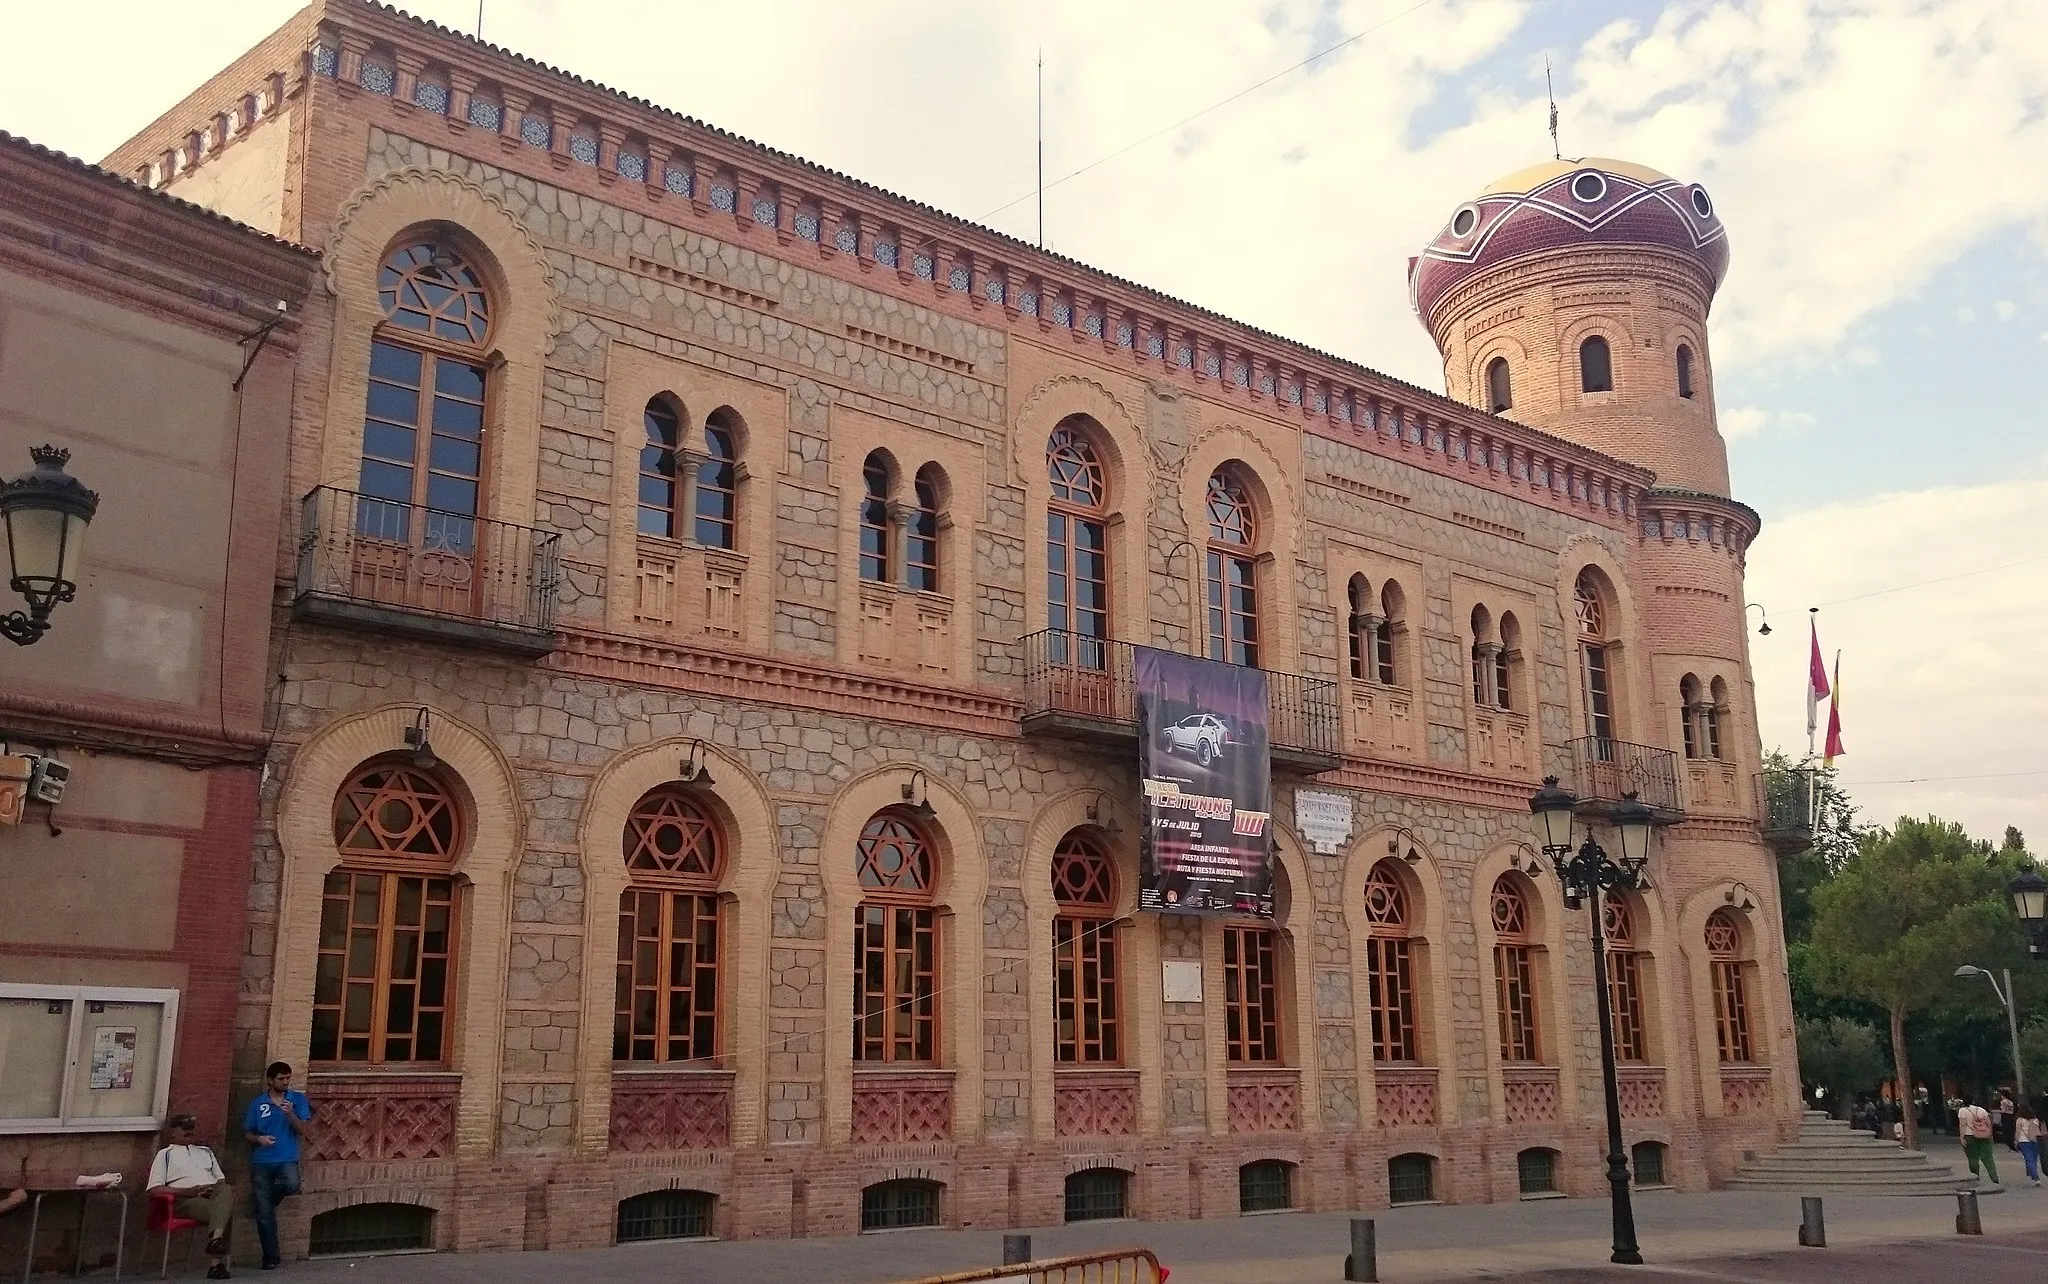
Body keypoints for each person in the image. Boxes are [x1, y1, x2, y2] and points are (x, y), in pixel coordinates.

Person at [243, 1061, 313, 1271]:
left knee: (292, 1185)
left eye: (287, 1078)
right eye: (281, 1079)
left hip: (286, 1158)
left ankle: (263, 1202)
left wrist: (290, 1114)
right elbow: (247, 1133)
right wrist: (259, 1140)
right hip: (262, 1160)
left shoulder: (297, 1100)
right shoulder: (258, 1104)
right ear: (270, 1080)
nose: (285, 1082)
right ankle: (270, 1257)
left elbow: (304, 1130)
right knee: (265, 1216)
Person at [146, 1114, 234, 1280]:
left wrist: (211, 1189)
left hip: (211, 1194)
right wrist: (188, 1191)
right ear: (173, 1131)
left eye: (191, 1128)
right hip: (186, 1200)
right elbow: (155, 1189)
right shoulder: (165, 1155)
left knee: (225, 1191)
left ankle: (216, 1240)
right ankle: (215, 1264)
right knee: (224, 1210)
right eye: (184, 1129)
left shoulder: (205, 1152)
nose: (189, 1132)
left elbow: (220, 1179)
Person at [1957, 1094, 2001, 1188]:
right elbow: (1989, 1123)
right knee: (1988, 1158)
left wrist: (1961, 1137)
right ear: (1973, 1101)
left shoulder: (1962, 1111)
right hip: (1984, 1135)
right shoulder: (1981, 1110)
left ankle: (1976, 1177)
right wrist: (1990, 1135)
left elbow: (1963, 1125)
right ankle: (1994, 1178)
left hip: (1969, 1135)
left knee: (1973, 1158)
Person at [2017, 1102, 2042, 1187]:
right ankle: (2033, 1177)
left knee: (2028, 1159)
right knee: (2033, 1159)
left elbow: (2018, 1132)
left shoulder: (2020, 1120)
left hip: (2023, 1141)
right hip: (2035, 1141)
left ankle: (2035, 1177)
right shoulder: (2035, 1120)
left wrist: (2016, 1141)